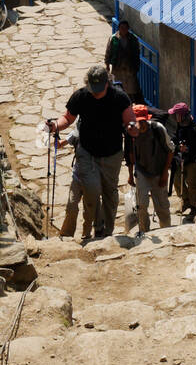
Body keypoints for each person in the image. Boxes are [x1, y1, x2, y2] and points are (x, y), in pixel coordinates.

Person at [46, 65, 135, 240]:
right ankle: (94, 226)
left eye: (99, 89)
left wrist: (133, 128)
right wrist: (56, 125)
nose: (96, 93)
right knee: (92, 190)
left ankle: (106, 232)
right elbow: (68, 118)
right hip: (87, 152)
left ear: (107, 83)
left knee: (110, 194)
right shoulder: (81, 96)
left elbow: (129, 120)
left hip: (112, 154)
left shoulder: (120, 98)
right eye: (92, 89)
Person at [124, 105, 174, 233]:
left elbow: (170, 150)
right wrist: (131, 174)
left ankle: (166, 231)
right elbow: (129, 154)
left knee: (162, 206)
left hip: (158, 171)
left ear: (146, 119)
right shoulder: (130, 133)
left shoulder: (158, 129)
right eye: (137, 121)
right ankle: (144, 231)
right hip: (141, 171)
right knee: (141, 205)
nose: (139, 125)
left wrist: (164, 174)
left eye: (141, 121)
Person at [168, 102, 196, 221]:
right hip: (182, 159)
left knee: (192, 184)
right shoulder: (180, 125)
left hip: (193, 161)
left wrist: (187, 149)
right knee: (177, 180)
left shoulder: (193, 129)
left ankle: (194, 208)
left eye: (176, 114)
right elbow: (176, 138)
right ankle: (186, 201)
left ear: (181, 115)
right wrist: (176, 144)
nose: (174, 117)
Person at [55, 127, 90, 243]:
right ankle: (66, 234)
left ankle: (87, 234)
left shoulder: (98, 133)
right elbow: (59, 145)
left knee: (90, 207)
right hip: (77, 176)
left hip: (91, 176)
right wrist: (54, 135)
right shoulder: (76, 133)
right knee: (71, 205)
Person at [105, 20, 143, 103]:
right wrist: (107, 64)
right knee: (118, 87)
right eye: (122, 28)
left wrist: (136, 66)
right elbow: (108, 52)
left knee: (131, 88)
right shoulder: (114, 38)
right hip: (118, 67)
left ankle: (130, 103)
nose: (124, 30)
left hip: (129, 67)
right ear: (118, 28)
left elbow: (137, 53)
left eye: (125, 28)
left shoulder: (133, 39)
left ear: (128, 29)